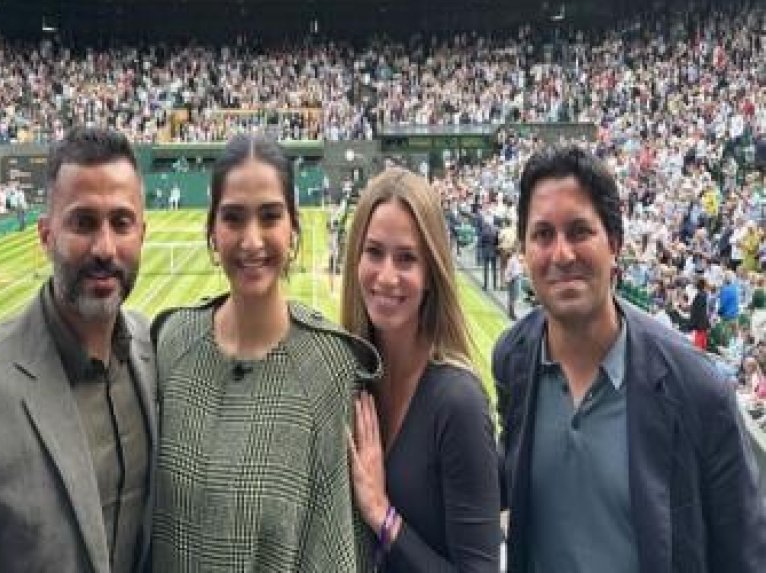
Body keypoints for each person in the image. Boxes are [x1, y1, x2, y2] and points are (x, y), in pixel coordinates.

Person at [493, 145, 766, 573]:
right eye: (543, 234)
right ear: (524, 251)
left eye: (579, 231)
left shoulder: (698, 390)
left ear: (615, 244)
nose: (561, 254)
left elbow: (744, 556)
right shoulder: (513, 358)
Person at [0, 126, 157, 572]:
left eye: (121, 222)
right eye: (83, 222)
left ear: (142, 234)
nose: (104, 248)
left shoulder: (151, 355)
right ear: (46, 235)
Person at [151, 135, 382, 572]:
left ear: (293, 228)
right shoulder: (172, 343)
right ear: (212, 230)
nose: (252, 240)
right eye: (233, 218)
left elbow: (332, 547)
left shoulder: (330, 367)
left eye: (270, 216)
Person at [341, 167, 501, 572]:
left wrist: (382, 514)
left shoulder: (458, 403)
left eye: (407, 258)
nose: (386, 276)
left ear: (431, 272)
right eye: (374, 252)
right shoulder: (349, 379)